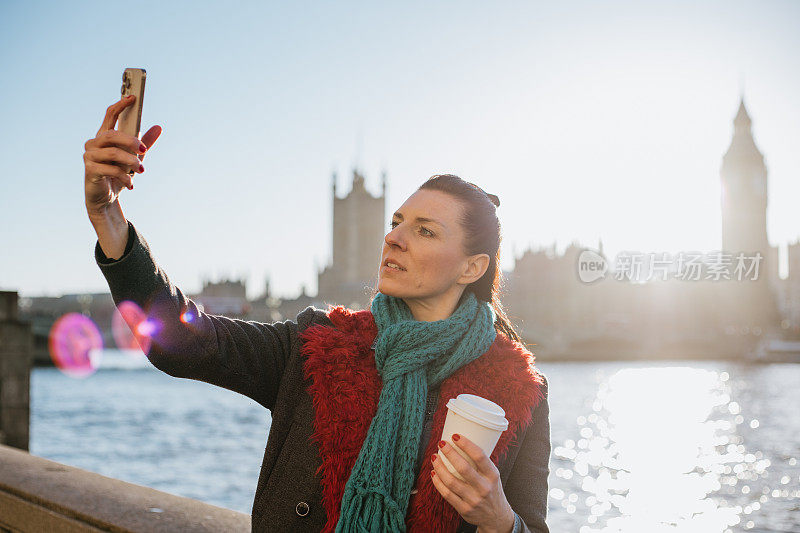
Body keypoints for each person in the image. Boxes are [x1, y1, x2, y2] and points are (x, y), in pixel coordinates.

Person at [83, 95, 551, 533]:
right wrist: (109, 217)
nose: (394, 238)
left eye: (425, 231)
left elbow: (531, 525)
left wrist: (502, 521)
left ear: (472, 267)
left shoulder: (518, 389)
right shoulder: (318, 345)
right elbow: (185, 342)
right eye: (395, 223)